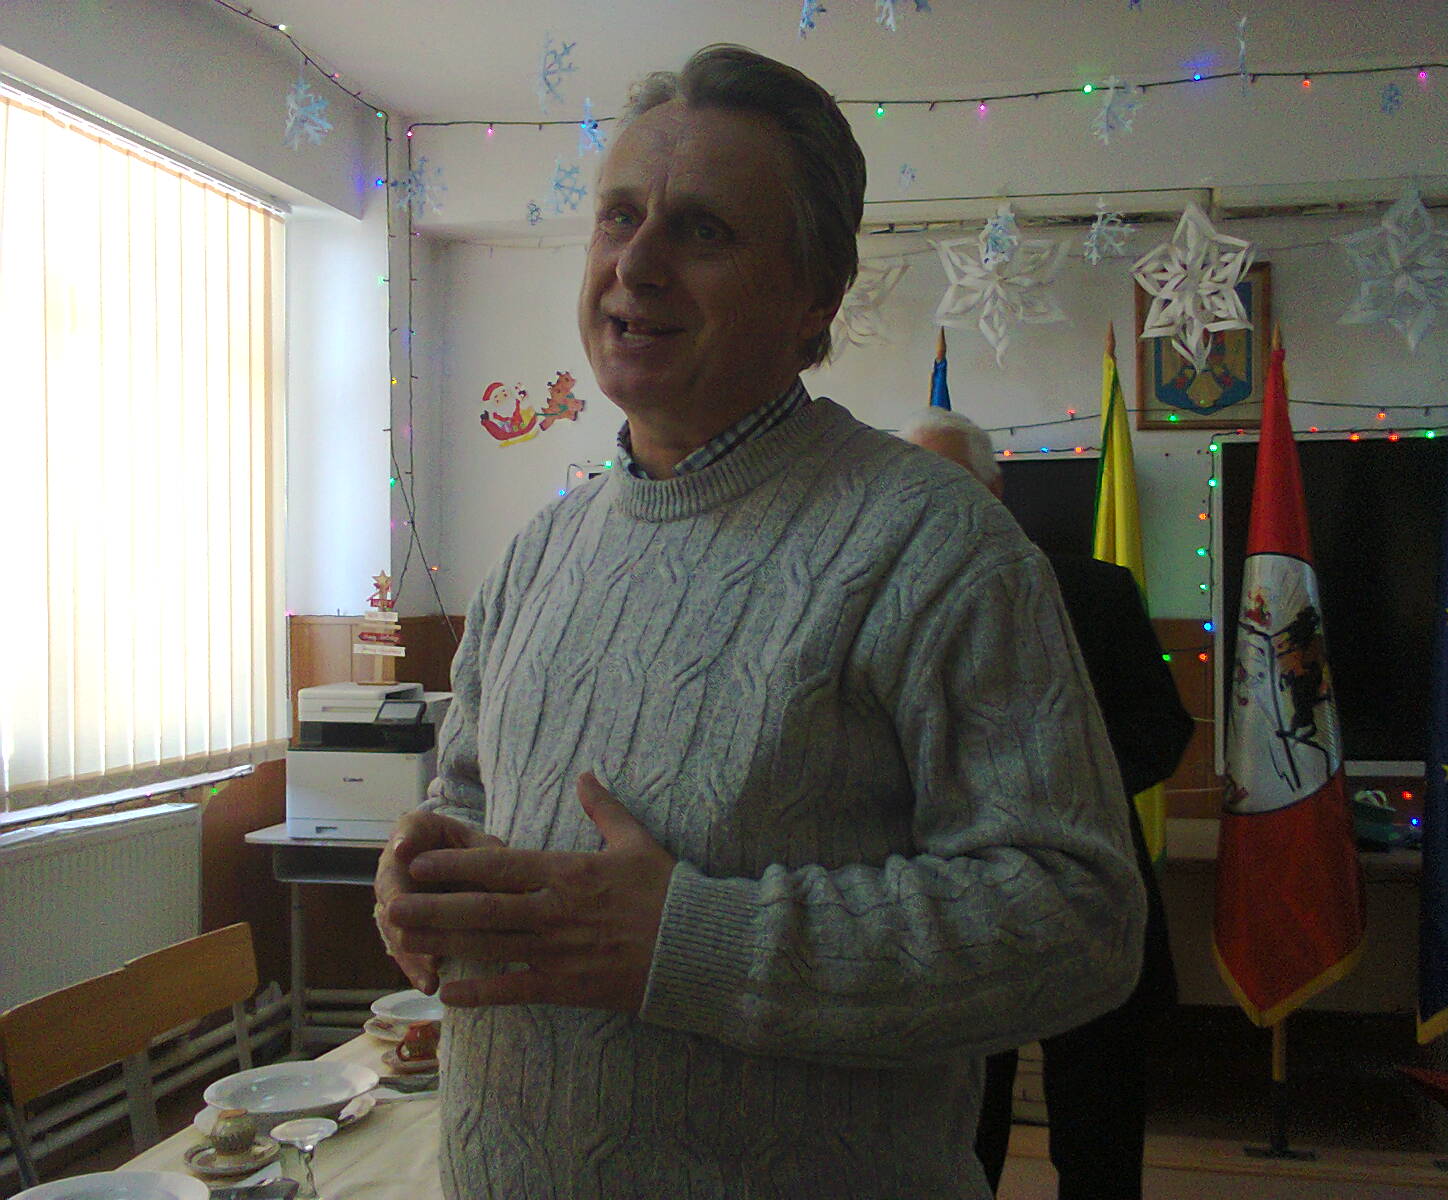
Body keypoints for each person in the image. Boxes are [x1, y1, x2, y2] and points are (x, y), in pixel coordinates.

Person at [373, 45, 1145, 1200]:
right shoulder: (536, 555)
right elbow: (473, 798)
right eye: (619, 216)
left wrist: (694, 943)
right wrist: (428, 872)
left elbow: (1079, 922)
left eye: (701, 230)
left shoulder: (931, 543)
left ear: (814, 296)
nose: (636, 263)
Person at [899, 407, 1195, 1200]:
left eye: (947, 483)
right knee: (962, 1140)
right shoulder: (888, 606)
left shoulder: (1095, 592)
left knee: (1099, 1143)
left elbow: (1161, 729)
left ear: (994, 492)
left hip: (1087, 893)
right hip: (950, 912)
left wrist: (1056, 786)